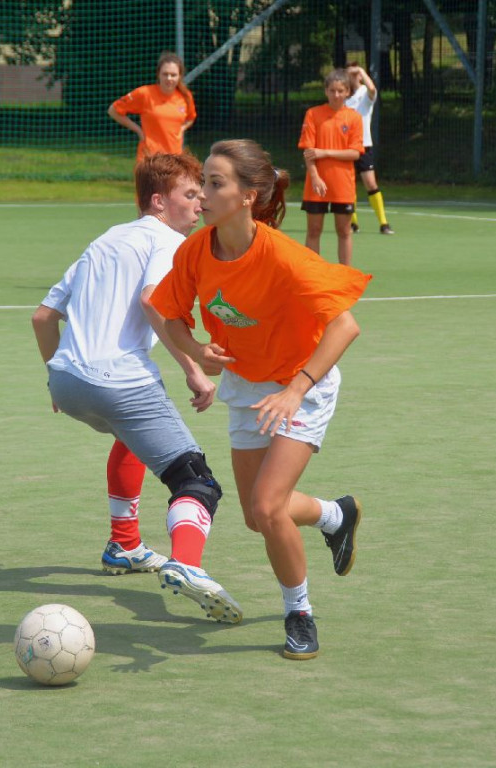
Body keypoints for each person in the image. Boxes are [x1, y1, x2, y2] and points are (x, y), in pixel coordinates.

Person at [150, 139, 371, 660]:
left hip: (302, 386)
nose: (202, 192)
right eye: (203, 181)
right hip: (248, 388)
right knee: (256, 516)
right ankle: (334, 516)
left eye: (215, 183)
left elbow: (345, 327)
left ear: (249, 196)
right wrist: (197, 352)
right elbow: (167, 315)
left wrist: (297, 389)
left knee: (269, 507)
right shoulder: (195, 252)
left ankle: (300, 612)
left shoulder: (282, 254)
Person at [32, 152, 242, 624]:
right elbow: (153, 301)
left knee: (132, 435)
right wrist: (193, 367)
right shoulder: (166, 239)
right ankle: (186, 562)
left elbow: (43, 317)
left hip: (68, 381)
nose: (199, 202)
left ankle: (124, 545)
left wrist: (55, 376)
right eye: (190, 194)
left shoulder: (105, 239)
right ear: (158, 202)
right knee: (196, 481)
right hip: (118, 380)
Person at [299, 69, 363, 267]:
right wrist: (315, 177)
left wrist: (325, 152)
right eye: (332, 90)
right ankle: (313, 273)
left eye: (340, 91)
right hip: (316, 185)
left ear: (348, 92)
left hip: (343, 184)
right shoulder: (313, 114)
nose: (336, 95)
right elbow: (309, 151)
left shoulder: (354, 118)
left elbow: (355, 153)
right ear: (326, 91)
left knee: (344, 231)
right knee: (314, 230)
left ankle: (345, 273)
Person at [108, 52, 197, 165]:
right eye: (165, 74)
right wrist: (139, 130)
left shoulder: (185, 97)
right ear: (158, 74)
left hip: (174, 160)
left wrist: (181, 129)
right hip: (149, 159)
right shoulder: (144, 94)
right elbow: (113, 110)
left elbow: (191, 118)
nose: (169, 78)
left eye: (173, 75)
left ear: (179, 76)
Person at [345, 64, 394, 235]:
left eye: (354, 74)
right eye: (349, 74)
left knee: (371, 184)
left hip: (364, 145)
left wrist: (361, 71)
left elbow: (373, 89)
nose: (351, 77)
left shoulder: (365, 93)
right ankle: (353, 223)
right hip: (346, 148)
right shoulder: (343, 97)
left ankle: (384, 223)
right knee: (348, 186)